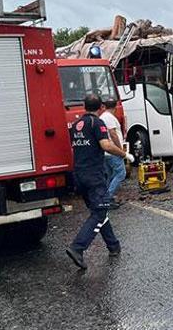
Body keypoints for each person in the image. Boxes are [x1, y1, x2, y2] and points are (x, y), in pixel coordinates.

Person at [66, 94, 128, 269]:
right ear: (100, 107)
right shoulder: (97, 123)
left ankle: (113, 245)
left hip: (79, 174)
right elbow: (105, 145)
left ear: (84, 106)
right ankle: (78, 248)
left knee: (98, 209)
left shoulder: (76, 125)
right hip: (94, 175)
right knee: (99, 212)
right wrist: (124, 154)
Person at [100, 98, 127, 207]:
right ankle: (108, 197)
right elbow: (113, 134)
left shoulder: (102, 117)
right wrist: (120, 150)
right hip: (113, 152)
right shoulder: (109, 118)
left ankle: (105, 196)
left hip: (106, 152)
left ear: (104, 106)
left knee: (110, 175)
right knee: (121, 173)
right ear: (115, 107)